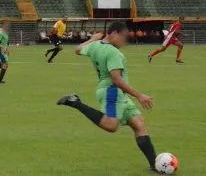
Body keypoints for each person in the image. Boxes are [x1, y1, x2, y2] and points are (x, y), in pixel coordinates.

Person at [57, 22, 157, 172]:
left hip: (116, 93)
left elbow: (77, 50)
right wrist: (139, 95)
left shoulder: (96, 45)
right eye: (123, 37)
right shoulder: (114, 53)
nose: (125, 42)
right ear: (113, 34)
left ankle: (154, 165)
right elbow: (116, 79)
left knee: (139, 125)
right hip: (112, 91)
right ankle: (76, 102)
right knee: (111, 126)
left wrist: (92, 39)